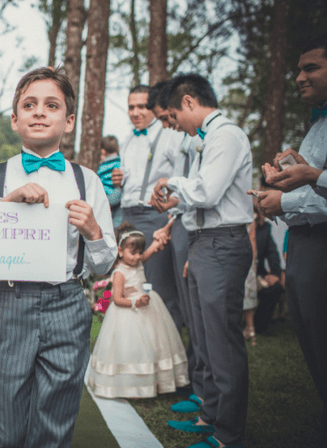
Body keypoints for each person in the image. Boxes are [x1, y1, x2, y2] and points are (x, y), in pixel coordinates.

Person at [0, 66, 117, 448]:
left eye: (51, 106)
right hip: (11, 301)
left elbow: (103, 263)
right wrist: (7, 206)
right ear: (14, 119)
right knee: (4, 418)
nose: (39, 112)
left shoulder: (88, 181)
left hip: (68, 303)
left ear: (68, 121)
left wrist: (93, 231)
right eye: (29, 105)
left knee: (55, 422)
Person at [154, 73, 253, 448]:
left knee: (222, 341)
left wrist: (171, 182)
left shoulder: (225, 135)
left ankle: (227, 434)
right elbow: (202, 197)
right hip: (204, 242)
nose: (175, 125)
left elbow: (208, 192)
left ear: (190, 102)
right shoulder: (206, 139)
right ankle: (209, 414)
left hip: (222, 243)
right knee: (206, 338)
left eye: (175, 116)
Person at [255, 33, 327, 435]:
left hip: (322, 244)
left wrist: (284, 202)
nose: (299, 76)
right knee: (312, 342)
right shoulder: (317, 124)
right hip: (301, 244)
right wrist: (285, 182)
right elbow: (314, 187)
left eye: (311, 67)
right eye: (298, 68)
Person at [147, 80, 206, 414]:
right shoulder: (187, 138)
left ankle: (201, 389)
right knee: (191, 308)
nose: (167, 125)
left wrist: (171, 196)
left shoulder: (203, 139)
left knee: (196, 313)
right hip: (181, 222)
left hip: (199, 229)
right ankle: (199, 386)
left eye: (167, 117)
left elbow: (202, 191)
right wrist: (171, 217)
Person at [86, 222, 188, 398]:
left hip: (148, 309)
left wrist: (160, 238)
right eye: (132, 253)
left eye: (140, 253)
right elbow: (116, 299)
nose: (137, 257)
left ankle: (152, 381)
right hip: (128, 313)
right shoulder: (119, 273)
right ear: (120, 251)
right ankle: (130, 385)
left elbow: (152, 250)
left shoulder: (138, 261)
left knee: (153, 345)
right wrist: (135, 303)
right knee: (130, 348)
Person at [112, 85, 183, 332]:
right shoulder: (127, 139)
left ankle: (168, 349)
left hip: (155, 217)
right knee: (131, 284)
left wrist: (170, 221)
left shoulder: (171, 135)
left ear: (153, 107)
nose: (135, 112)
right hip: (128, 216)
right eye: (131, 107)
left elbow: (181, 177)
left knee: (159, 287)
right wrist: (119, 180)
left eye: (141, 106)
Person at [252, 202, 284, 335]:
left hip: (258, 274)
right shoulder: (240, 227)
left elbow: (272, 253)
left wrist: (275, 274)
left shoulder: (265, 228)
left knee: (276, 288)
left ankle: (259, 325)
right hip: (238, 273)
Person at [96, 135, 122, 228]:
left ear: (103, 150)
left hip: (105, 196)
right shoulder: (121, 163)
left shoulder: (101, 166)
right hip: (117, 194)